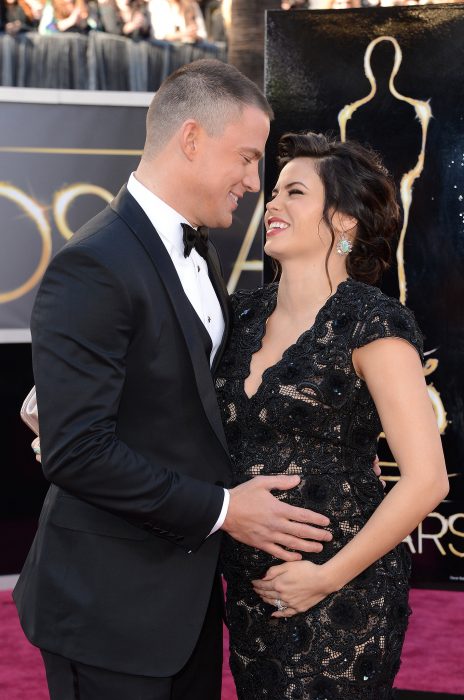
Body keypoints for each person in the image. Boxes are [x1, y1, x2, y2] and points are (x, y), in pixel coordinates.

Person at [13, 60, 337, 700]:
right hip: (108, 608)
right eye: (246, 157)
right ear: (191, 139)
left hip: (185, 606)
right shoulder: (95, 263)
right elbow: (78, 451)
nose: (255, 181)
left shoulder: (198, 250)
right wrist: (225, 511)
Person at [215, 131, 448, 699]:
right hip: (249, 591)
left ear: (343, 220)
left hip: (343, 595)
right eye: (273, 191)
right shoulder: (239, 314)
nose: (271, 204)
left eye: (294, 192)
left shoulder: (373, 323)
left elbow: (426, 481)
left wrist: (323, 579)